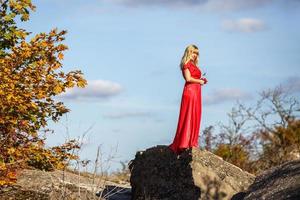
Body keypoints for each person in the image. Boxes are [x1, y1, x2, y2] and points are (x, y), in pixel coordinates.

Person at [169, 44, 208, 154]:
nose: (195, 55)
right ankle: (184, 142)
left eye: (196, 53)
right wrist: (200, 81)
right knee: (189, 115)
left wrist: (201, 80)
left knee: (195, 115)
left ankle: (192, 141)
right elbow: (188, 78)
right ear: (188, 52)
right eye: (193, 52)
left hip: (196, 92)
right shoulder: (186, 64)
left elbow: (193, 78)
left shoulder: (193, 65)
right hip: (190, 91)